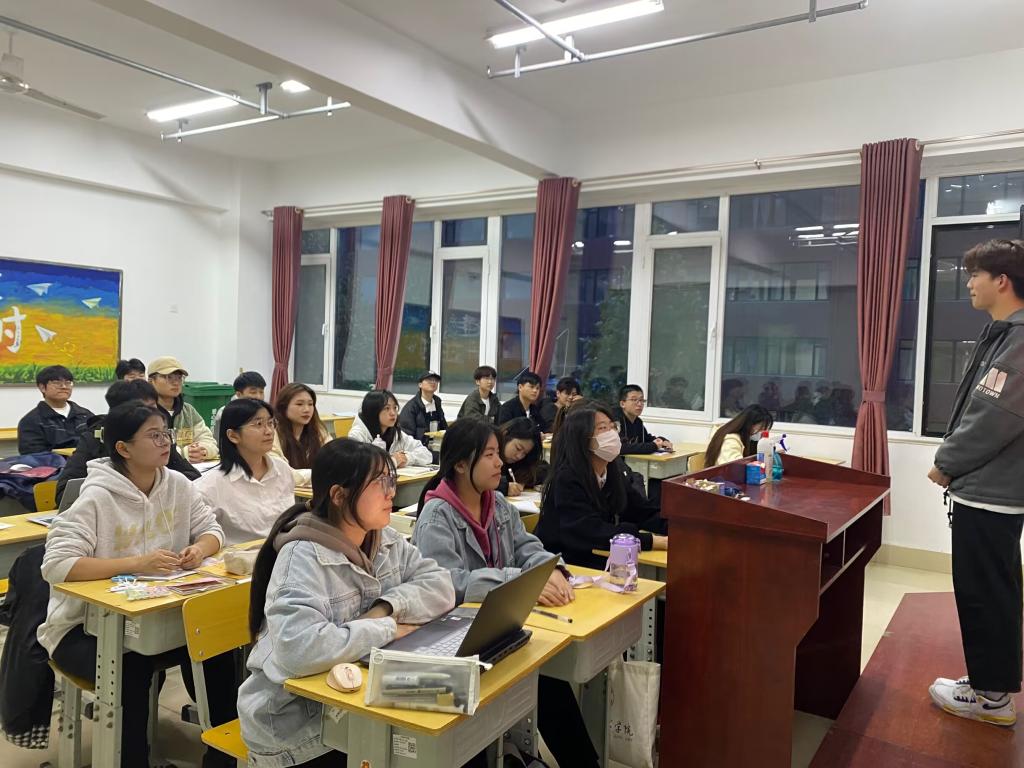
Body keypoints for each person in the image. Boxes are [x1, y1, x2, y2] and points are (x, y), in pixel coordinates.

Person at [38, 401, 233, 767]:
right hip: (85, 628)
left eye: (166, 433)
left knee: (217, 644)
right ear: (123, 448)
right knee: (133, 667)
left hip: (154, 620)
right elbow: (58, 565)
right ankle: (132, 760)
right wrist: (137, 564)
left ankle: (224, 756)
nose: (165, 442)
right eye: (154, 435)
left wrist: (199, 548)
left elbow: (212, 530)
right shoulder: (96, 496)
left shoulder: (178, 485)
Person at [237, 439, 455, 766]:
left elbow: (441, 586)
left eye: (391, 481)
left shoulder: (383, 538)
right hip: (299, 728)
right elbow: (299, 648)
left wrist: (384, 609)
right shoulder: (302, 557)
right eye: (380, 483)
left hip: (355, 705)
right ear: (339, 496)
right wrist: (387, 629)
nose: (391, 492)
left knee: (454, 710)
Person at [413, 418, 599, 768]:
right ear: (461, 464)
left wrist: (551, 569)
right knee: (539, 685)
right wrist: (517, 579)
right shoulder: (437, 516)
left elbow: (528, 546)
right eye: (489, 455)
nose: (500, 463)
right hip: (458, 643)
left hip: (500, 628)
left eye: (498, 453)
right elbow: (448, 583)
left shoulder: (496, 503)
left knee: (550, 681)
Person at [927, 239, 1024, 727]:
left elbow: (992, 417)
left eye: (974, 275)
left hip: (992, 493)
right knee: (990, 591)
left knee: (986, 594)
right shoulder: (1005, 334)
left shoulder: (1019, 340)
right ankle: (991, 684)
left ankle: (992, 697)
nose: (968, 284)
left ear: (1001, 281)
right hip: (993, 490)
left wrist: (946, 462)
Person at [537, 404, 667, 569]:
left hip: (597, 559)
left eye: (613, 427)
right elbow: (589, 531)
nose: (612, 434)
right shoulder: (567, 478)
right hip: (563, 564)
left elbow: (641, 511)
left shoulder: (612, 472)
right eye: (603, 428)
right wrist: (650, 540)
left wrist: (680, 528)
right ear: (583, 438)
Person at [55, 379, 200, 504]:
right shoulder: (95, 438)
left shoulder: (160, 438)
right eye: (142, 410)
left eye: (153, 407)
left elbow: (193, 479)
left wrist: (156, 487)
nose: (151, 415)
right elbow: (64, 494)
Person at [195, 399, 295, 545]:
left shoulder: (282, 469)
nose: (269, 431)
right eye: (258, 424)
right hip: (240, 557)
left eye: (270, 423)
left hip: (283, 551)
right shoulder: (210, 486)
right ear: (233, 436)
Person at [147, 356, 218, 462]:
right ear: (151, 381)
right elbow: (148, 450)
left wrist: (203, 451)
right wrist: (184, 453)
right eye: (168, 377)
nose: (176, 383)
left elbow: (209, 440)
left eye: (179, 378)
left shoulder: (188, 410)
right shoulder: (145, 412)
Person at [17, 365, 93, 454]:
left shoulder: (85, 415)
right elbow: (34, 456)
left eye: (68, 382)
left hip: (89, 462)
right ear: (42, 387)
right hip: (55, 462)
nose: (64, 387)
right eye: (57, 383)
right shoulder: (31, 421)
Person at [349, 390, 432, 467]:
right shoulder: (358, 434)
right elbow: (358, 465)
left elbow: (426, 454)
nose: (393, 413)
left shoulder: (395, 433)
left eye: (395, 408)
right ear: (373, 411)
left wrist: (407, 458)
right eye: (387, 408)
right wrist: (393, 461)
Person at [271, 383, 330, 487]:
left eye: (310, 404)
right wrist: (319, 474)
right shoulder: (272, 433)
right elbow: (282, 474)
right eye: (299, 404)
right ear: (283, 407)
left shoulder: (319, 431)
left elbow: (334, 460)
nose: (307, 409)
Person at [703, 405, 774, 467]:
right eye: (761, 428)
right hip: (721, 477)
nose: (761, 432)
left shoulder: (739, 435)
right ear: (750, 423)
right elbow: (735, 467)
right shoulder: (730, 440)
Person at [614, 384, 673, 455]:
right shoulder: (614, 421)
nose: (639, 404)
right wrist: (653, 446)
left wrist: (662, 441)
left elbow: (646, 439)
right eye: (634, 400)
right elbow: (620, 447)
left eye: (641, 400)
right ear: (622, 404)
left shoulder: (638, 421)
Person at [497, 417, 546, 497]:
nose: (519, 456)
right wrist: (503, 486)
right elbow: (479, 479)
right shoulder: (486, 452)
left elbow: (545, 470)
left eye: (525, 453)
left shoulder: (521, 462)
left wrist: (524, 480)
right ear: (505, 434)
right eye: (518, 448)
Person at [398, 371, 448, 446]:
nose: (433, 382)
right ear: (420, 384)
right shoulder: (411, 407)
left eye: (435, 380)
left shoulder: (437, 403)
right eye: (429, 380)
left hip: (437, 445)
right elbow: (407, 436)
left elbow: (444, 427)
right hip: (419, 447)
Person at [212, 370, 267, 439]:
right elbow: (218, 441)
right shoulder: (225, 413)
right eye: (253, 392)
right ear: (239, 394)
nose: (259, 397)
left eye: (261, 392)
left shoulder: (265, 412)